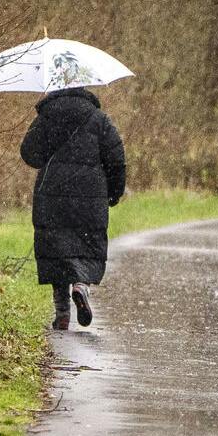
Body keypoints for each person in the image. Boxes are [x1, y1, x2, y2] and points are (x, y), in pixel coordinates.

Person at [20, 83, 126, 331]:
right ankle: (81, 285)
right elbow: (117, 160)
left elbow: (29, 154)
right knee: (85, 244)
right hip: (90, 195)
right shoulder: (99, 119)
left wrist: (49, 148)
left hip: (52, 194)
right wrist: (114, 192)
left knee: (57, 249)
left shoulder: (46, 116)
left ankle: (62, 314)